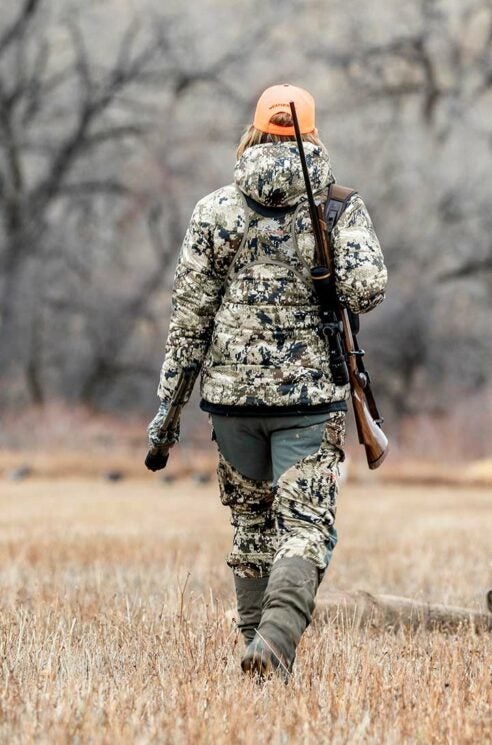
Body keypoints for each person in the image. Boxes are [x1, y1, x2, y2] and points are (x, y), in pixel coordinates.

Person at [147, 83, 387, 679]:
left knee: (251, 526)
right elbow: (369, 291)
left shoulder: (214, 210)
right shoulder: (336, 207)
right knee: (305, 527)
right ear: (312, 134)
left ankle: (258, 651)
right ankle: (276, 644)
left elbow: (188, 322)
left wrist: (166, 420)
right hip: (308, 403)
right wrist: (328, 243)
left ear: (254, 133)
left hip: (229, 404)